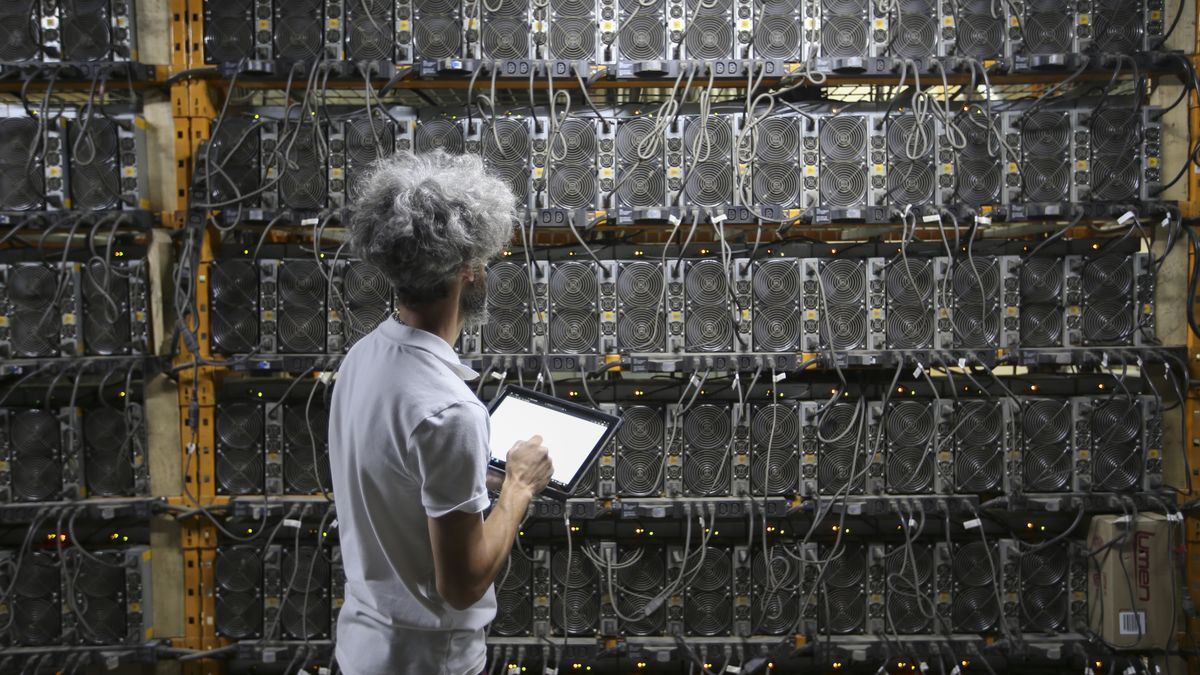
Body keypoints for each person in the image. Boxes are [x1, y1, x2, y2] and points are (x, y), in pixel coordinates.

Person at [329, 150, 554, 675]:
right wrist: (519, 486)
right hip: (427, 663)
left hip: (359, 650)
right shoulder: (451, 411)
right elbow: (462, 584)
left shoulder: (363, 357)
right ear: (469, 271)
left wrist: (482, 479)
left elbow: (397, 479)